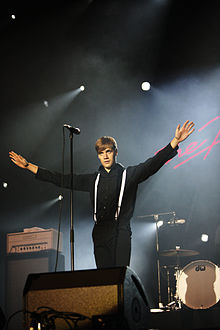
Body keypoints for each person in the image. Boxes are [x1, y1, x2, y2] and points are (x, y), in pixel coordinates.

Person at [9, 120, 195, 268]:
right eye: (101, 153)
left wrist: (175, 142)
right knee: (104, 279)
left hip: (121, 231)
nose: (105, 156)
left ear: (115, 152)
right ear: (98, 155)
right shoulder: (93, 179)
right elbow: (60, 178)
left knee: (120, 277)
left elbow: (153, 163)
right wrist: (28, 166)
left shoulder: (128, 175)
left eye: (108, 151)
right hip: (99, 233)